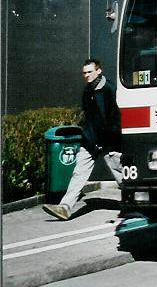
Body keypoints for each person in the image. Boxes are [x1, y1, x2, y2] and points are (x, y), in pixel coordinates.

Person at [43, 59, 123, 221]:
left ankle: (137, 202)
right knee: (79, 173)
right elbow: (89, 117)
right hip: (90, 141)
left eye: (89, 72)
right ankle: (65, 207)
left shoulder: (110, 89)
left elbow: (116, 117)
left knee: (121, 174)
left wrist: (112, 136)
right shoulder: (88, 91)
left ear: (98, 71)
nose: (86, 75)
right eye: (84, 73)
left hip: (108, 141)